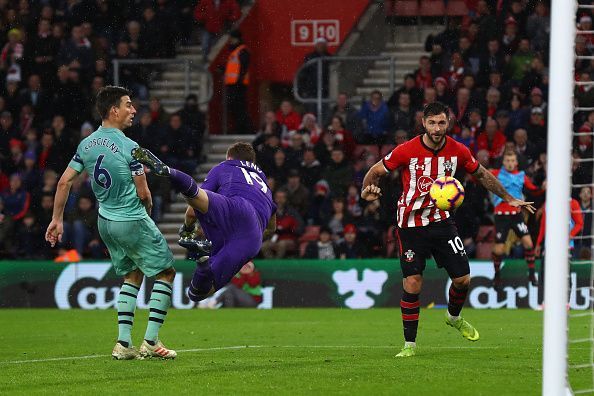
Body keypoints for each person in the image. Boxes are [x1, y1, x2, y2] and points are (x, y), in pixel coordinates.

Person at [361, 101, 535, 358]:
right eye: (432, 122)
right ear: (424, 123)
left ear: (448, 123)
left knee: (463, 278)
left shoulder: (458, 150)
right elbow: (375, 171)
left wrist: (508, 198)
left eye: (441, 122)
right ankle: (409, 345)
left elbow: (482, 174)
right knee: (412, 282)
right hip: (410, 225)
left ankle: (453, 317)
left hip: (442, 222)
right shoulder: (406, 150)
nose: (436, 128)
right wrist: (367, 190)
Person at [44, 86, 177, 360]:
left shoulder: (86, 144)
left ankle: (124, 344)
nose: (133, 110)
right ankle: (151, 341)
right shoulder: (131, 147)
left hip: (105, 222)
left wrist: (57, 220)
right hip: (131, 218)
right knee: (166, 273)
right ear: (113, 110)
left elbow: (64, 181)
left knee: (133, 275)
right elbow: (144, 193)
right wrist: (147, 208)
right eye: (128, 105)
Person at [131, 142, 276, 303]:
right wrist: (250, 235)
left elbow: (193, 210)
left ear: (229, 157)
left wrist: (187, 228)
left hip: (232, 206)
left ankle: (169, 171)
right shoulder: (264, 185)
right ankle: (203, 260)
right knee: (199, 293)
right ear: (252, 162)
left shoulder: (224, 167)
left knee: (196, 195)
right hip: (251, 233)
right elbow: (271, 227)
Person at [490, 151, 542, 290]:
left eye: (512, 161)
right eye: (507, 160)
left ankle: (531, 274)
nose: (510, 163)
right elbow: (481, 178)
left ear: (517, 162)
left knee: (528, 243)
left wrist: (542, 188)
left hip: (516, 214)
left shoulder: (521, 176)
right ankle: (496, 275)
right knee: (499, 249)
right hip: (501, 215)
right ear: (503, 162)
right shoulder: (495, 173)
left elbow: (533, 190)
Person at [224, 30, 251, 134]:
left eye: (231, 38)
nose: (230, 41)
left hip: (238, 85)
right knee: (235, 108)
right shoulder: (235, 51)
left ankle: (243, 129)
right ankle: (240, 129)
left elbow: (243, 68)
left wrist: (239, 81)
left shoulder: (242, 51)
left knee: (239, 108)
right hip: (233, 84)